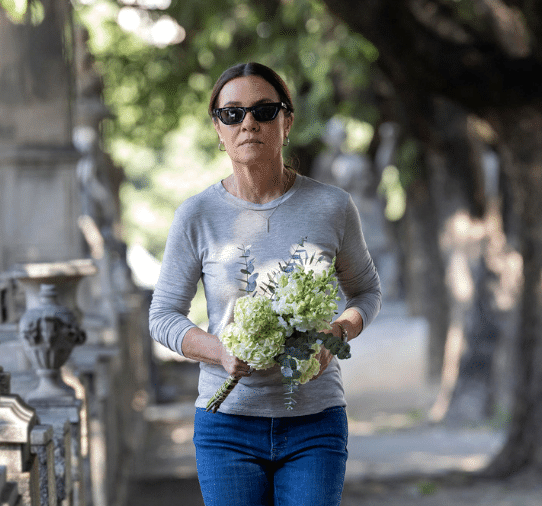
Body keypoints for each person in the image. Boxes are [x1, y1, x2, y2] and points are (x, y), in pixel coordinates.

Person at [148, 62, 381, 506]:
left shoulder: (332, 206)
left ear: (286, 121)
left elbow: (366, 292)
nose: (248, 122)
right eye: (232, 113)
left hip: (315, 422)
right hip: (226, 428)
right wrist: (219, 351)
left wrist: (340, 331)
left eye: (263, 110)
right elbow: (162, 317)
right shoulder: (195, 215)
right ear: (218, 128)